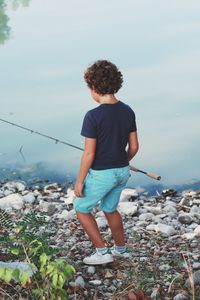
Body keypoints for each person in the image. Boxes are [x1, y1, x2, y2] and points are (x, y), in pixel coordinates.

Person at [73, 60, 139, 265]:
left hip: (103, 174)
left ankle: (102, 252)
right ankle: (121, 249)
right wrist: (123, 161)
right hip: (121, 172)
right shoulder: (127, 111)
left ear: (93, 88)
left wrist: (80, 181)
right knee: (110, 208)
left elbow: (89, 154)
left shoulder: (93, 116)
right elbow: (135, 147)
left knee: (81, 208)